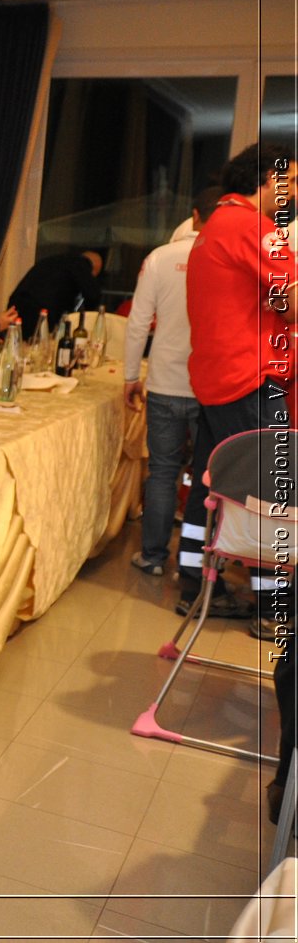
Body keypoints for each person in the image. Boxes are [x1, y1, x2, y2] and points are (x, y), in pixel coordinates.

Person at [177, 144, 295, 636]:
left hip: (214, 376)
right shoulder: (255, 228)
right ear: (268, 179)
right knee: (266, 490)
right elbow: (290, 301)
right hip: (249, 377)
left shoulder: (213, 228)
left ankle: (192, 584)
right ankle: (272, 609)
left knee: (206, 486)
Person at [123, 185, 220, 581]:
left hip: (164, 380)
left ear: (194, 214)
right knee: (206, 479)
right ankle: (194, 564)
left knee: (162, 471)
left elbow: (137, 323)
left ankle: (153, 556)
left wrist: (131, 376)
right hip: (209, 385)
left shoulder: (160, 257)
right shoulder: (226, 259)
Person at [6, 248, 104, 338]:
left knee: (14, 344)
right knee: (36, 348)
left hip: (16, 304)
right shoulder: (81, 264)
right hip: (39, 312)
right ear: (93, 270)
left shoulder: (57, 260)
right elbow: (93, 295)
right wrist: (87, 316)